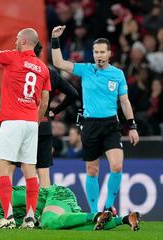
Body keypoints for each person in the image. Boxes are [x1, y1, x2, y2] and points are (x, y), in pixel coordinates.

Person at [0, 10, 51, 229]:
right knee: (29, 170)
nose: (14, 43)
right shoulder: (43, 68)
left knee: (2, 168)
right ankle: (31, 218)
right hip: (32, 123)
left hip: (12, 121)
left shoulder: (13, 57)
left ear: (24, 41)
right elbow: (44, 102)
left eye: (16, 40)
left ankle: (9, 218)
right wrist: (34, 120)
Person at [50, 25, 140, 214]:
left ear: (109, 54)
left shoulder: (117, 74)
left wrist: (132, 126)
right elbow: (58, 62)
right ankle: (93, 213)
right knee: (92, 171)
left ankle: (108, 206)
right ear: (92, 53)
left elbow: (124, 101)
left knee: (117, 165)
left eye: (102, 52)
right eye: (96, 52)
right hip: (90, 125)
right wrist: (55, 39)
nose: (99, 55)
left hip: (110, 125)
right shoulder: (86, 69)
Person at [0, 185, 140, 231]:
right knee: (73, 229)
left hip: (55, 195)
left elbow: (31, 195)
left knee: (48, 222)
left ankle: (96, 215)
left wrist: (41, 216)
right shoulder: (9, 222)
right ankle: (125, 219)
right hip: (57, 207)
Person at [34, 41, 79, 187]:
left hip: (25, 123)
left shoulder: (20, 71)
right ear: (41, 54)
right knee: (44, 170)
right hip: (45, 124)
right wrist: (54, 112)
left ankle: (30, 208)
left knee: (27, 169)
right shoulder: (50, 73)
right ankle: (45, 207)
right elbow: (73, 94)